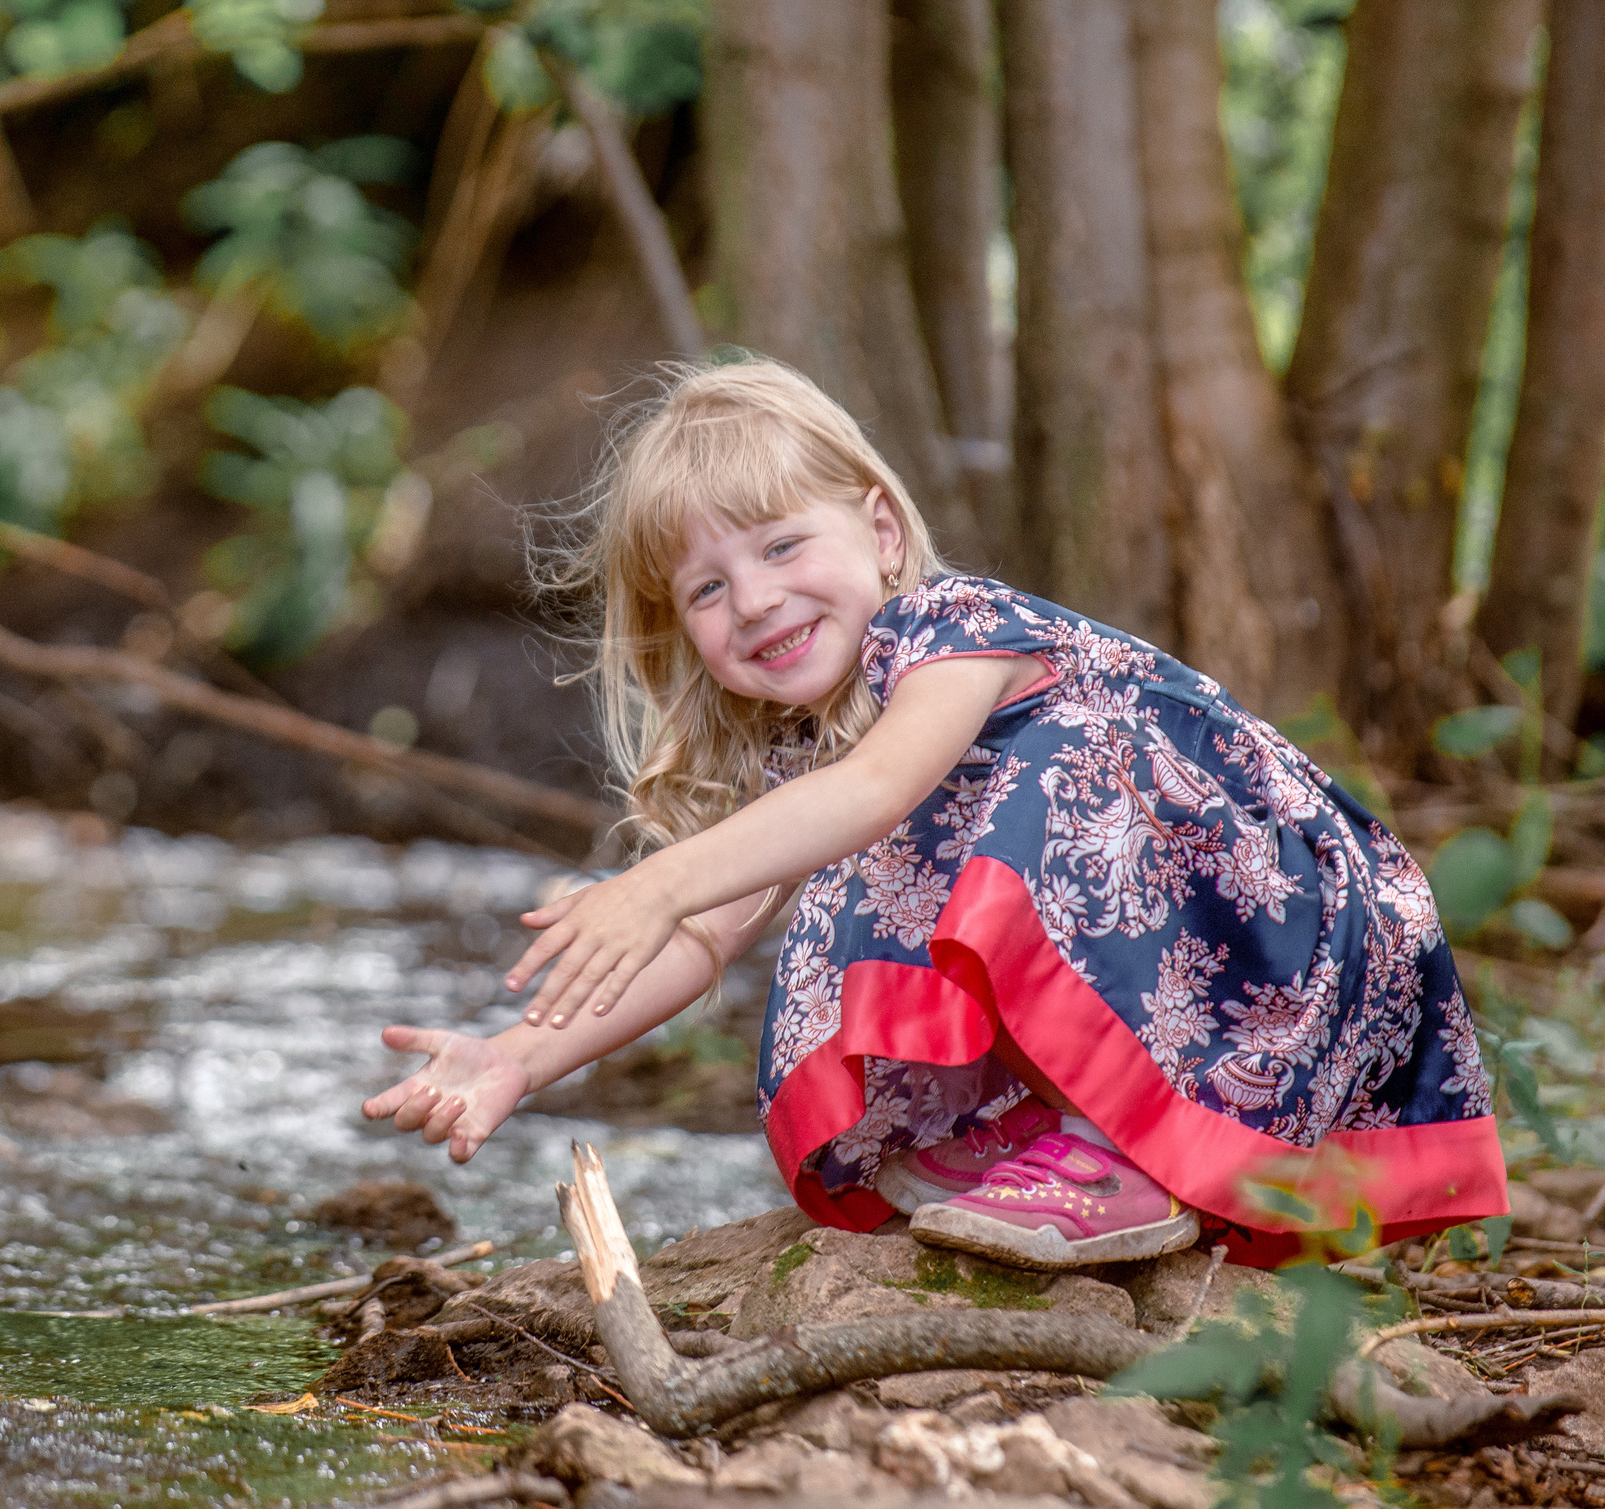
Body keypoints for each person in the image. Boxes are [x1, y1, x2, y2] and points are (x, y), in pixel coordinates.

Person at [364, 359, 1504, 1270]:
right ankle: (1037, 1128)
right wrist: (516, 1054)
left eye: (779, 544)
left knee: (994, 792)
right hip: (1198, 956)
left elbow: (876, 790)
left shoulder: (955, 626)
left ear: (882, 533)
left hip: (1294, 921)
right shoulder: (798, 754)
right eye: (705, 588)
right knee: (841, 866)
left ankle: (1118, 1153)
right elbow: (703, 935)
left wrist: (652, 877)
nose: (753, 598)